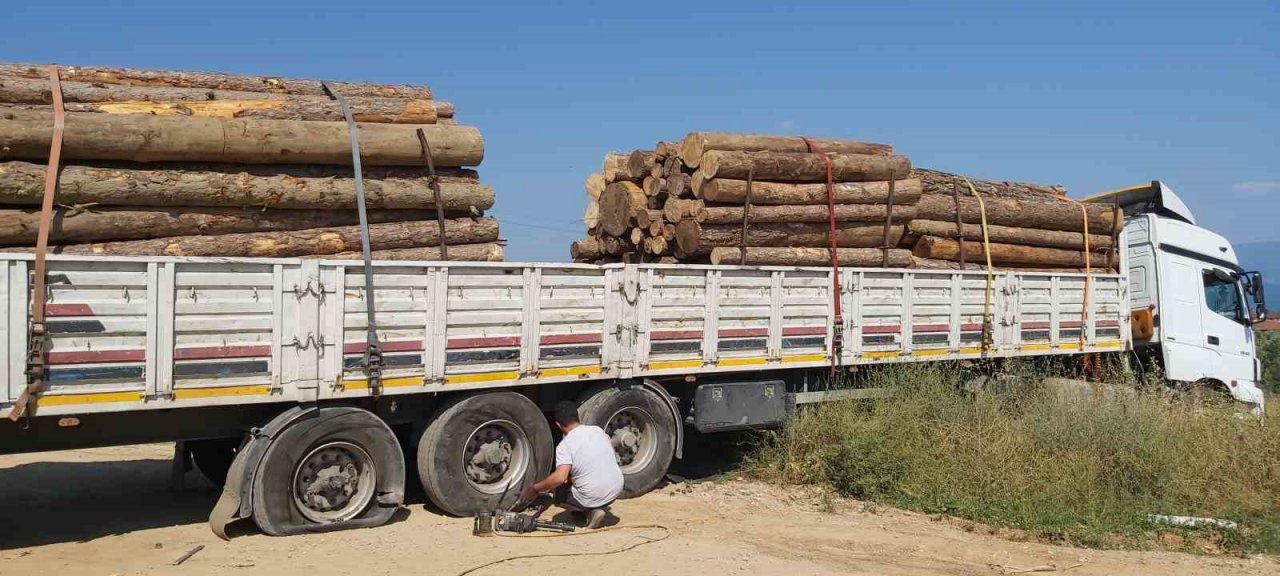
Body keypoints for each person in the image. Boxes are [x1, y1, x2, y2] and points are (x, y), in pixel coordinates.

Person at [520, 400, 624, 528]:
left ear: (558, 425)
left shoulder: (565, 445)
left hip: (593, 494)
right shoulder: (597, 430)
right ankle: (595, 506)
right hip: (616, 489)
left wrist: (534, 488)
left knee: (558, 489)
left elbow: (559, 478)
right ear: (577, 417)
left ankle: (589, 511)